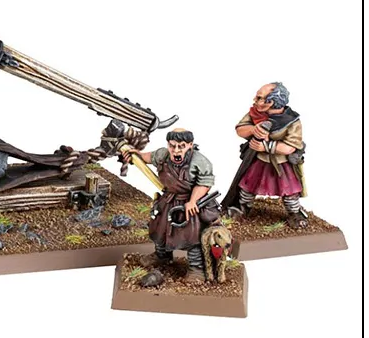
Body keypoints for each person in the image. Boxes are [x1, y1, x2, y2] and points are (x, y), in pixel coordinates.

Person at [123, 128, 220, 284]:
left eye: (181, 146)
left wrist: (192, 201)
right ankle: (162, 256)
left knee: (192, 236)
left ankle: (196, 269)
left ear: (190, 145)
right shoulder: (163, 155)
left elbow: (204, 183)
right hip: (168, 200)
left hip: (189, 204)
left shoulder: (199, 161)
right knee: (159, 229)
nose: (176, 150)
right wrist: (137, 155)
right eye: (172, 145)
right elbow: (149, 157)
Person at [233, 82, 306, 228]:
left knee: (289, 191)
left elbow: (291, 147)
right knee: (248, 186)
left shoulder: (292, 121)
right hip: (259, 160)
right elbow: (240, 129)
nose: (255, 100)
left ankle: (294, 213)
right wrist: (253, 129)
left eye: (260, 98)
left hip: (281, 163)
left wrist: (266, 146)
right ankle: (243, 207)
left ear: (271, 102)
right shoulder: (255, 113)